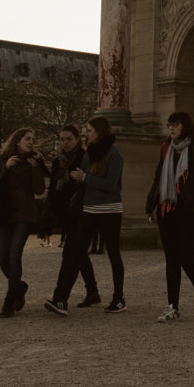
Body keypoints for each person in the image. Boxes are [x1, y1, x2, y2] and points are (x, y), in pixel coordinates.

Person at [44, 116, 126, 316]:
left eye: (89, 130)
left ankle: (118, 298)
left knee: (114, 255)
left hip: (109, 210)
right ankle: (62, 300)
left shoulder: (114, 155)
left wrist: (85, 178)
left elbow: (110, 185)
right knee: (76, 253)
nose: (86, 134)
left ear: (99, 132)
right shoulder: (89, 154)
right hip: (89, 210)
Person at [146, 111, 194, 324]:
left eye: (175, 124)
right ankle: (172, 306)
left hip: (188, 210)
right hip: (167, 208)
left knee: (186, 256)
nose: (171, 128)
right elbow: (159, 176)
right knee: (171, 260)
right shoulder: (166, 147)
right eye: (169, 125)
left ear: (185, 126)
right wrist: (151, 204)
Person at [0, 127, 47, 317]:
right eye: (28, 139)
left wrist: (37, 169)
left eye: (33, 139)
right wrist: (5, 168)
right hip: (4, 215)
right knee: (2, 258)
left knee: (14, 256)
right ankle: (19, 287)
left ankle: (9, 300)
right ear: (17, 140)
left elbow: (39, 190)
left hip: (24, 216)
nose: (31, 142)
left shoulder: (35, 162)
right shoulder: (2, 160)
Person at [40, 125, 100, 305]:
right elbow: (54, 191)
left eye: (69, 139)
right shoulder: (58, 161)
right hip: (65, 214)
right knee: (79, 254)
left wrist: (83, 178)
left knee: (69, 254)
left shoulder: (85, 158)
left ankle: (60, 296)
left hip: (82, 212)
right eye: (63, 139)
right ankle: (93, 292)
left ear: (77, 140)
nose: (65, 143)